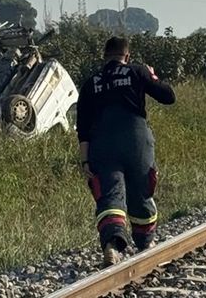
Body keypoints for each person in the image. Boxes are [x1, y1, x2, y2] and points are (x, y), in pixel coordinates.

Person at [76, 36, 176, 266]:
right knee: (141, 192)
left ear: (104, 57)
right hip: (136, 141)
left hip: (103, 144)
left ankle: (112, 244)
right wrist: (152, 76)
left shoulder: (91, 83)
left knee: (109, 196)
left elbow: (82, 128)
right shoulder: (136, 72)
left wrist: (85, 162)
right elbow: (168, 97)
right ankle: (145, 242)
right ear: (127, 56)